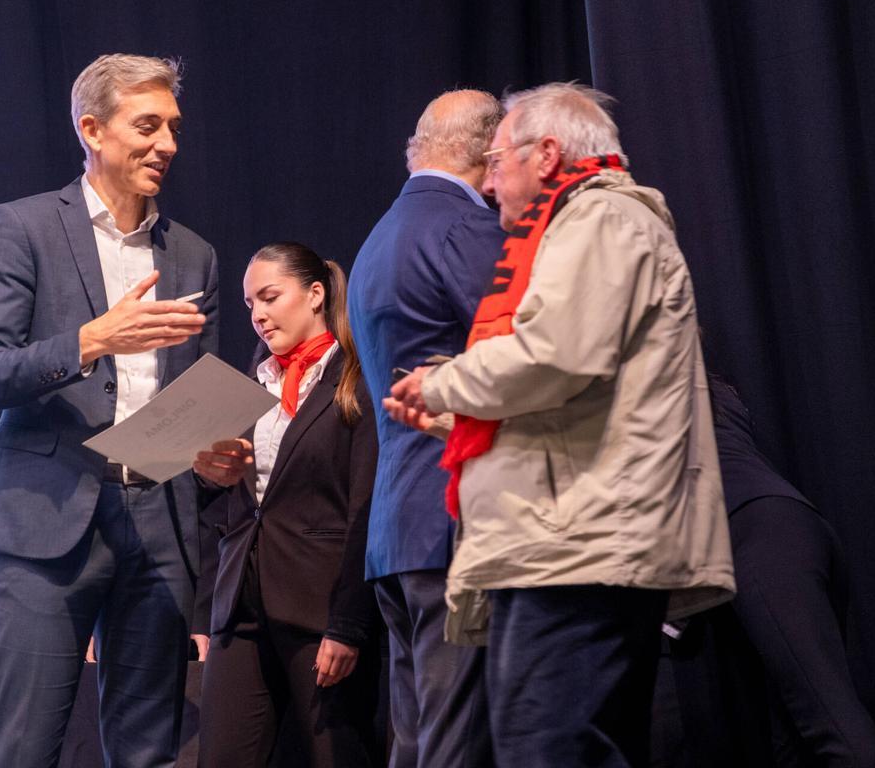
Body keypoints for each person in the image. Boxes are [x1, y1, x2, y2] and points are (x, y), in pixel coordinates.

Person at [387, 82, 735, 766]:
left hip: (578, 548)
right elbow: (570, 392)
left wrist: (444, 381)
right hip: (569, 541)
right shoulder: (581, 225)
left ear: (546, 153)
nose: (487, 187)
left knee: (547, 749)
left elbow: (555, 356)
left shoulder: (600, 218)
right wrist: (447, 412)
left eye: (495, 162)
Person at [0, 53, 218, 768]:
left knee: (152, 754)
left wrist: (217, 455)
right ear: (92, 130)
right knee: (23, 748)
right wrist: (91, 339)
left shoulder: (195, 256)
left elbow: (201, 400)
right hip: (49, 517)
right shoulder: (25, 227)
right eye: (147, 125)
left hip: (160, 521)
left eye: (172, 127)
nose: (166, 144)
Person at [346, 89, 504, 768]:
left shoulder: (379, 236)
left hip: (394, 532)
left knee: (415, 744)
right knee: (455, 746)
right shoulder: (462, 228)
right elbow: (515, 355)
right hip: (449, 522)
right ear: (487, 151)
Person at [192, 242, 381, 768]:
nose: (258, 315)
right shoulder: (252, 384)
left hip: (318, 606)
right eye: (249, 304)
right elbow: (235, 511)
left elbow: (365, 507)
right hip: (242, 603)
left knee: (335, 755)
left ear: (316, 294)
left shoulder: (355, 381)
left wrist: (349, 624)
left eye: (270, 297)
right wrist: (210, 478)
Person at [651, 375, 875, 768]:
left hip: (756, 536)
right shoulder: (713, 388)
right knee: (797, 744)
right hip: (793, 526)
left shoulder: (647, 389)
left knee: (831, 727)